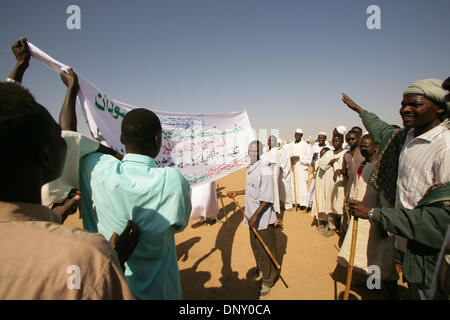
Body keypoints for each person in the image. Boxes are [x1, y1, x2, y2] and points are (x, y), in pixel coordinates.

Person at [0, 48, 134, 298]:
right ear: (46, 158)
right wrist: (112, 259)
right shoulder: (88, 257)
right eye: (57, 136)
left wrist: (19, 67)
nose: (66, 138)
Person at [342, 77, 450, 298]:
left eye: (415, 104)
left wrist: (376, 214)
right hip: (393, 229)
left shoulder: (444, 148)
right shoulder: (402, 139)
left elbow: (441, 221)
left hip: (424, 245)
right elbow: (381, 127)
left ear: (439, 108)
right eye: (402, 104)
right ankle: (375, 287)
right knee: (378, 260)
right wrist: (359, 110)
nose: (405, 110)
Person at [79, 108, 192, 300]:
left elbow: (69, 140)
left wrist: (73, 91)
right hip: (159, 292)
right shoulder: (172, 181)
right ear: (158, 140)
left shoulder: (95, 168)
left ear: (122, 139)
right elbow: (179, 224)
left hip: (109, 290)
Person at [337, 134, 399, 299]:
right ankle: (373, 285)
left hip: (376, 219)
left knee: (383, 259)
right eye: (362, 146)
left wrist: (382, 223)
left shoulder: (381, 169)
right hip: (362, 217)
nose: (363, 148)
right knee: (370, 254)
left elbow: (385, 198)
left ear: (376, 147)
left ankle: (394, 296)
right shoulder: (363, 165)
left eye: (366, 146)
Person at [227, 140, 279, 298]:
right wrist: (238, 192)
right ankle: (261, 269)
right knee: (256, 247)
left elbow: (268, 198)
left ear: (260, 152)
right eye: (249, 150)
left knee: (266, 249)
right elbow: (252, 190)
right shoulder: (251, 168)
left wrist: (255, 215)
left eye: (254, 151)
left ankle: (268, 281)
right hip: (251, 216)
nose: (251, 153)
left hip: (262, 218)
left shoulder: (265, 170)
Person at [306, 132, 331, 212]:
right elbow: (310, 162)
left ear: (325, 138)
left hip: (326, 172)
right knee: (312, 189)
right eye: (319, 138)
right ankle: (308, 205)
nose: (320, 139)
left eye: (322, 138)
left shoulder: (329, 148)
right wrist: (313, 158)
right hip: (316, 171)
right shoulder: (314, 147)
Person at [261, 135, 283, 226]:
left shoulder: (274, 150)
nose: (270, 142)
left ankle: (277, 218)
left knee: (274, 195)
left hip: (272, 175)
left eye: (272, 140)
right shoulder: (268, 150)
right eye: (269, 140)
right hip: (267, 175)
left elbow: (269, 162)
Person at [287, 128, 310, 210]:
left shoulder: (305, 145)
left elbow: (308, 158)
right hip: (293, 168)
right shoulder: (290, 145)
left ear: (301, 136)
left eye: (299, 135)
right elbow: (287, 155)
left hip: (301, 168)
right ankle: (294, 201)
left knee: (302, 186)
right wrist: (290, 158)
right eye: (296, 134)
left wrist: (299, 157)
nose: (297, 136)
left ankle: (303, 203)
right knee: (293, 185)